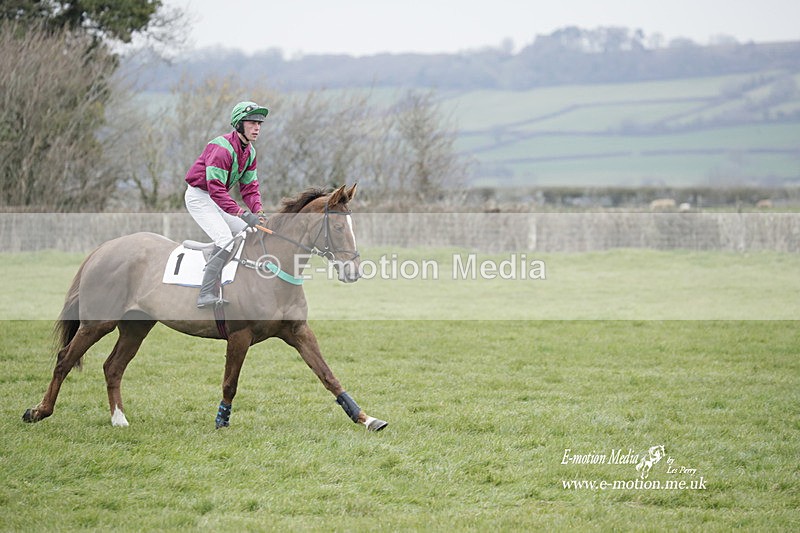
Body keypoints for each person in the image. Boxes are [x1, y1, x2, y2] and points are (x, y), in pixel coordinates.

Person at [184, 101, 269, 308]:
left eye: (259, 123)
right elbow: (216, 189)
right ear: (239, 124)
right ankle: (205, 293)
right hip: (200, 197)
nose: (257, 127)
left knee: (250, 232)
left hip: (217, 199)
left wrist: (258, 212)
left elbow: (249, 188)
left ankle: (241, 285)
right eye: (252, 123)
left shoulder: (250, 152)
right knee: (224, 239)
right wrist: (241, 213)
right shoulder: (221, 149)